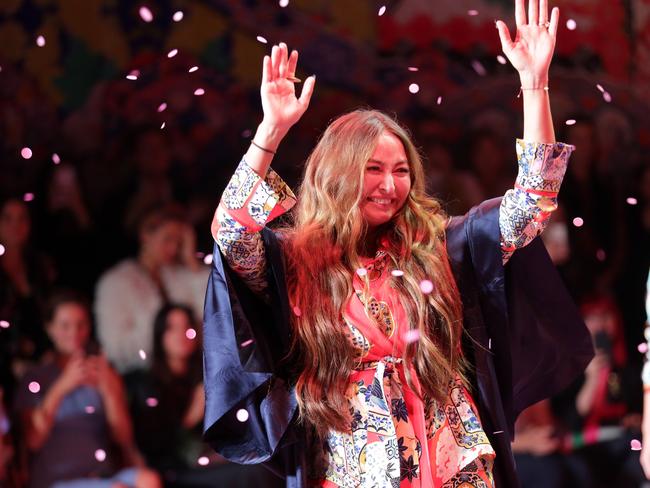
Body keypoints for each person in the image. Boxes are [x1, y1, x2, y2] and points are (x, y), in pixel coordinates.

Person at [202, 1, 593, 486]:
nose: (390, 185)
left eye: (401, 171)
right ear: (339, 174)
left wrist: (535, 85)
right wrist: (271, 132)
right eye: (374, 169)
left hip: (452, 453)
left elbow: (534, 201)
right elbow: (231, 234)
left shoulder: (441, 247)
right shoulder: (295, 259)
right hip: (356, 461)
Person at [14, 290, 161, 488]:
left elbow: (123, 437)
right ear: (50, 328)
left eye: (80, 324)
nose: (74, 332)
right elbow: (33, 440)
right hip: (56, 480)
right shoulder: (35, 378)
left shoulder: (102, 372)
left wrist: (110, 391)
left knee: (149, 480)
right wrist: (62, 386)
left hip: (99, 474)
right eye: (65, 325)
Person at [94, 207, 209, 373]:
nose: (173, 249)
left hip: (189, 373)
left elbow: (210, 313)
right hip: (141, 376)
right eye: (168, 239)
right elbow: (114, 347)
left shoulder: (180, 275)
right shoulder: (116, 282)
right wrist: (165, 337)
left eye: (179, 242)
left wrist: (192, 263)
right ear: (146, 235)